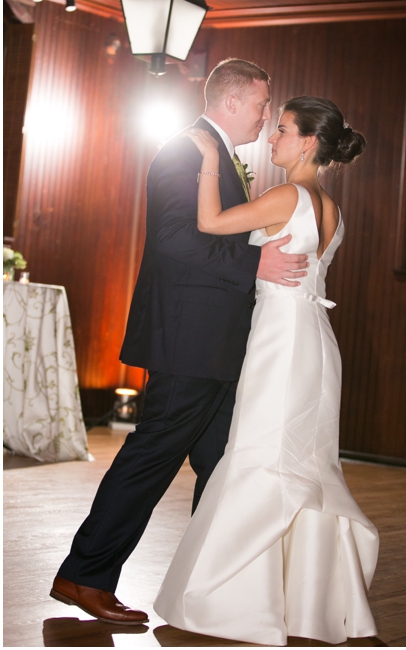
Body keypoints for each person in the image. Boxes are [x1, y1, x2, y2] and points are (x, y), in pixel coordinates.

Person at [51, 59, 306, 625]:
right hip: (189, 339)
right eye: (263, 105)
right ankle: (83, 574)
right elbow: (171, 239)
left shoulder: (214, 155)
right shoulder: (183, 150)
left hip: (214, 342)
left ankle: (207, 587)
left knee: (221, 466)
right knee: (151, 457)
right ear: (233, 102)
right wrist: (254, 264)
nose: (267, 115)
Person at [153, 97, 376, 646]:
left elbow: (208, 223)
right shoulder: (331, 208)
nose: (272, 139)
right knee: (304, 461)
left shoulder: (286, 195)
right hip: (316, 343)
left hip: (280, 341)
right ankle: (311, 599)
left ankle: (240, 600)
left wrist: (207, 155)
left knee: (264, 458)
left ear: (306, 143)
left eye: (281, 130)